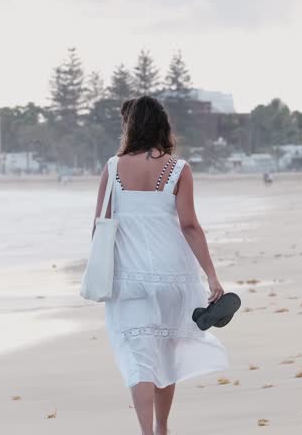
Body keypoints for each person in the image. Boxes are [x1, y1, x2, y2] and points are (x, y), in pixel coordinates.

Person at [93, 95, 229, 435]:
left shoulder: (112, 168)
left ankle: (146, 432)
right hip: (173, 278)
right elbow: (190, 225)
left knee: (140, 358)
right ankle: (163, 428)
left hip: (128, 281)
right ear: (162, 126)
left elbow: (100, 225)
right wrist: (211, 275)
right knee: (165, 356)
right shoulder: (179, 169)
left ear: (131, 127)